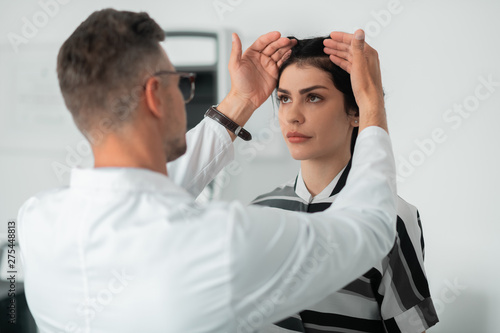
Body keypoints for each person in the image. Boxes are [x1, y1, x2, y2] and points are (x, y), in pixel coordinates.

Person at [17, 8, 397, 333]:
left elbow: (143, 196)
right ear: (154, 95)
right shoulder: (222, 239)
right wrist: (372, 103)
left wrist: (242, 101)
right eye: (180, 83)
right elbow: (370, 229)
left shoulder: (36, 221)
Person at [252, 37, 439, 333]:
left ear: (356, 111)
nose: (292, 116)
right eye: (284, 98)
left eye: (313, 97)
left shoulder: (393, 217)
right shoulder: (259, 211)